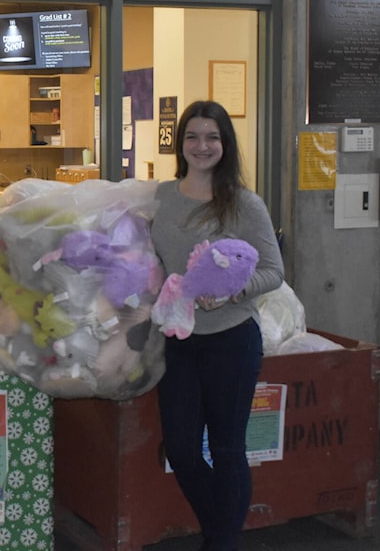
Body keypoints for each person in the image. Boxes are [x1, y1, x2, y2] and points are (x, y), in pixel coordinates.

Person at [149, 100, 284, 551]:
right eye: (192, 136)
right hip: (180, 341)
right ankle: (220, 531)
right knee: (183, 451)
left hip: (232, 340)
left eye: (212, 137)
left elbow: (273, 271)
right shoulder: (162, 198)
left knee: (227, 449)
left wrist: (233, 292)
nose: (201, 146)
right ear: (179, 143)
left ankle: (221, 541)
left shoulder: (245, 204)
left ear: (225, 145)